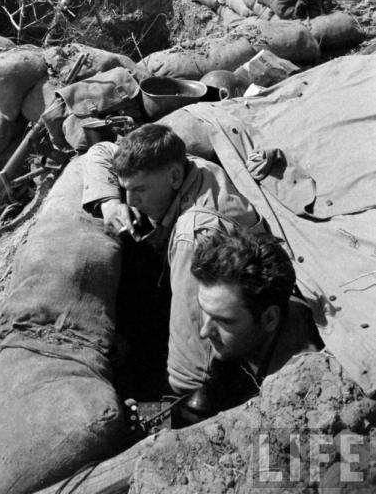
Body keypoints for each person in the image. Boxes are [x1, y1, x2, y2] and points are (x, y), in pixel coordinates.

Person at [82, 123, 264, 396]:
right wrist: (110, 203)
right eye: (126, 189)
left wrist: (181, 393)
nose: (131, 201)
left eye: (140, 190)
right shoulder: (178, 166)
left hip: (245, 307)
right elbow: (101, 150)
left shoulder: (195, 235)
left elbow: (193, 364)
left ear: (175, 177)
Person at [172, 225, 323, 427]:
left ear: (269, 319)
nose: (204, 331)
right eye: (205, 311)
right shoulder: (249, 331)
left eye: (224, 321)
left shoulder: (306, 386)